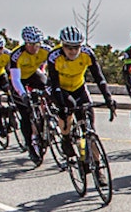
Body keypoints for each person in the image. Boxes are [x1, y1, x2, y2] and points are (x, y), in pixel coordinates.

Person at [47, 26, 115, 158]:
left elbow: (99, 78)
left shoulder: (87, 54)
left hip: (79, 87)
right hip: (61, 88)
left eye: (76, 47)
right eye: (69, 47)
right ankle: (65, 138)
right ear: (63, 46)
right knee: (68, 108)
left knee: (89, 128)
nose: (73, 51)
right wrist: (62, 106)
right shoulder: (54, 56)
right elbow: (54, 84)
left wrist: (108, 98)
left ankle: (97, 164)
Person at [9, 26, 51, 159]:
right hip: (19, 80)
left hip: (34, 74)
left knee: (48, 89)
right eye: (30, 45)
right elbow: (15, 79)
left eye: (36, 45)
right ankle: (30, 146)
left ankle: (48, 118)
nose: (34, 48)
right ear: (25, 43)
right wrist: (23, 95)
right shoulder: (16, 55)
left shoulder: (47, 51)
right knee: (25, 115)